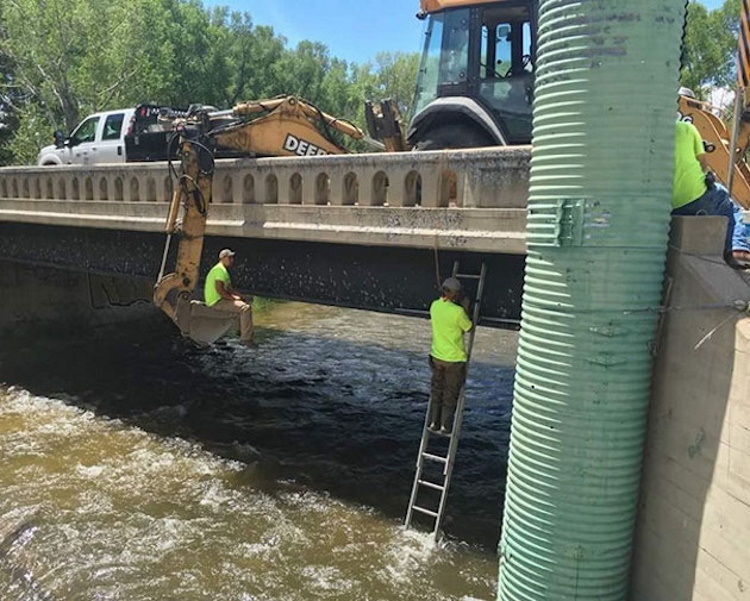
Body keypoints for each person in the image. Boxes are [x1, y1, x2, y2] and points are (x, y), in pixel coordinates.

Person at [672, 119, 750, 268]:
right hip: (695, 197)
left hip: (666, 203)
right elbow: (703, 163)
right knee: (729, 205)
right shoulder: (687, 128)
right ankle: (737, 249)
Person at [428, 277, 473, 435]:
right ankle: (446, 426)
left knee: (437, 391)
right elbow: (468, 327)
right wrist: (466, 308)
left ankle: (434, 422)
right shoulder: (458, 312)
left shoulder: (434, 306)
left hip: (437, 357)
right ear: (455, 294)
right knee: (450, 394)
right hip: (453, 360)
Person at [204, 248, 253, 344]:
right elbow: (220, 290)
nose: (232, 260)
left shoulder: (223, 271)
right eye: (229, 258)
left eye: (232, 258)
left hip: (221, 300)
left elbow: (230, 289)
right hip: (216, 302)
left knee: (244, 303)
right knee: (245, 308)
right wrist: (233, 298)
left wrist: (243, 297)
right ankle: (246, 339)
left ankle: (240, 331)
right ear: (223, 258)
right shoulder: (219, 271)